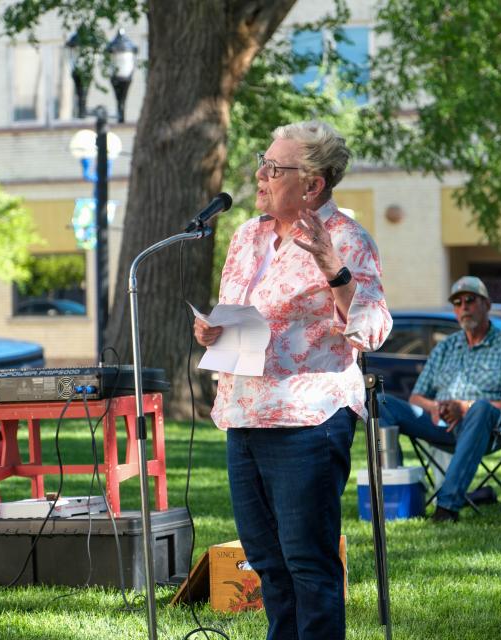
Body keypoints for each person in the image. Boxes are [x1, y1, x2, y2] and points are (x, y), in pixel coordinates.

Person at [193, 121, 391, 640]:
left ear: (312, 185)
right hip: (244, 412)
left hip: (309, 419)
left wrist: (334, 269)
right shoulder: (246, 236)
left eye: (274, 168)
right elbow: (243, 313)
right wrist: (212, 329)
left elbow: (371, 329)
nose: (260, 174)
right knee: (267, 562)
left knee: (307, 562)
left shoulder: (347, 238)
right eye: (263, 162)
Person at [378, 276, 501, 523]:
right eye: (457, 302)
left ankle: (447, 506)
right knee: (381, 403)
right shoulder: (445, 347)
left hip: (490, 428)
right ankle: (393, 495)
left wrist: (467, 408)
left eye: (470, 300)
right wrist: (434, 407)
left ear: (486, 304)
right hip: (440, 424)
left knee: (481, 409)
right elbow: (417, 397)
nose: (463, 306)